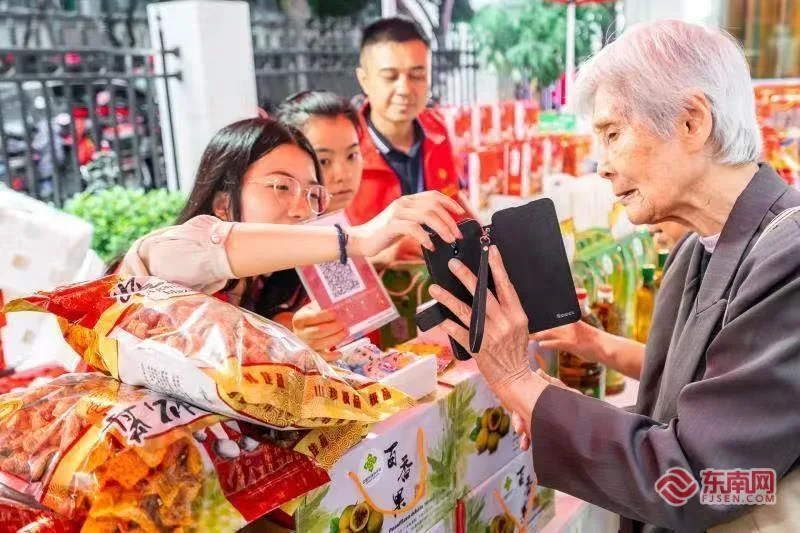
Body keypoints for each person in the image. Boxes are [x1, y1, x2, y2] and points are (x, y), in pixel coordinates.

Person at [430, 20, 800, 532]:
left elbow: (697, 478)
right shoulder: (698, 247)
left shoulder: (791, 256)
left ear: (692, 122)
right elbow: (682, 420)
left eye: (612, 133)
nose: (601, 165)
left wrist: (519, 383)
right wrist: (556, 406)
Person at [120, 117, 464, 356]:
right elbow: (201, 247)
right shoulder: (165, 255)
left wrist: (290, 339)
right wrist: (357, 239)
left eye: (312, 193)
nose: (301, 209)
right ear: (223, 203)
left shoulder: (272, 284)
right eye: (281, 186)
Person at [347, 16, 469, 232]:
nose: (404, 89)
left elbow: (456, 201)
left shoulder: (437, 130)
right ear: (364, 80)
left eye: (417, 75)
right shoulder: (345, 147)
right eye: (390, 77)